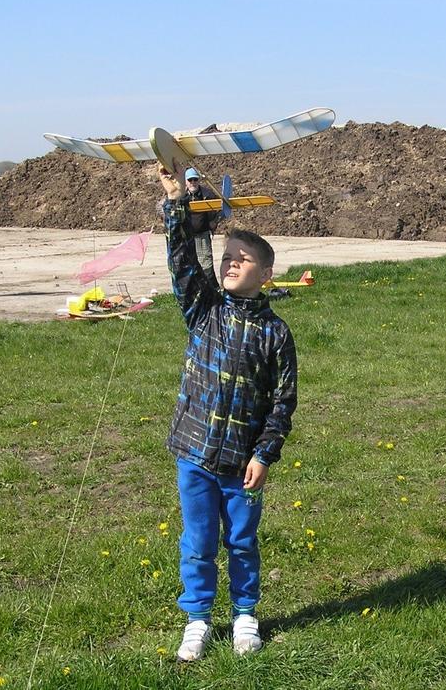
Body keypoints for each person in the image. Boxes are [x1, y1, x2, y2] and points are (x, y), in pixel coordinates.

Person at [158, 163, 297, 660]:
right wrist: (178, 206)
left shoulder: (276, 333)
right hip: (193, 453)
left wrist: (264, 454)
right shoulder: (204, 309)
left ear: (266, 272)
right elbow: (181, 262)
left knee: (241, 541)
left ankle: (244, 614)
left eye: (242, 259)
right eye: (227, 258)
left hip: (242, 464)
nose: (230, 264)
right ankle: (197, 618)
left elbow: (283, 402)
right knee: (197, 543)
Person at [183, 167, 223, 277]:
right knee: (188, 261)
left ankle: (211, 286)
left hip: (203, 233)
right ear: (185, 182)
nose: (193, 183)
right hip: (187, 235)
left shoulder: (208, 194)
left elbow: (222, 208)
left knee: (206, 261)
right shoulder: (181, 196)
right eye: (190, 180)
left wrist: (215, 221)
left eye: (195, 180)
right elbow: (163, 208)